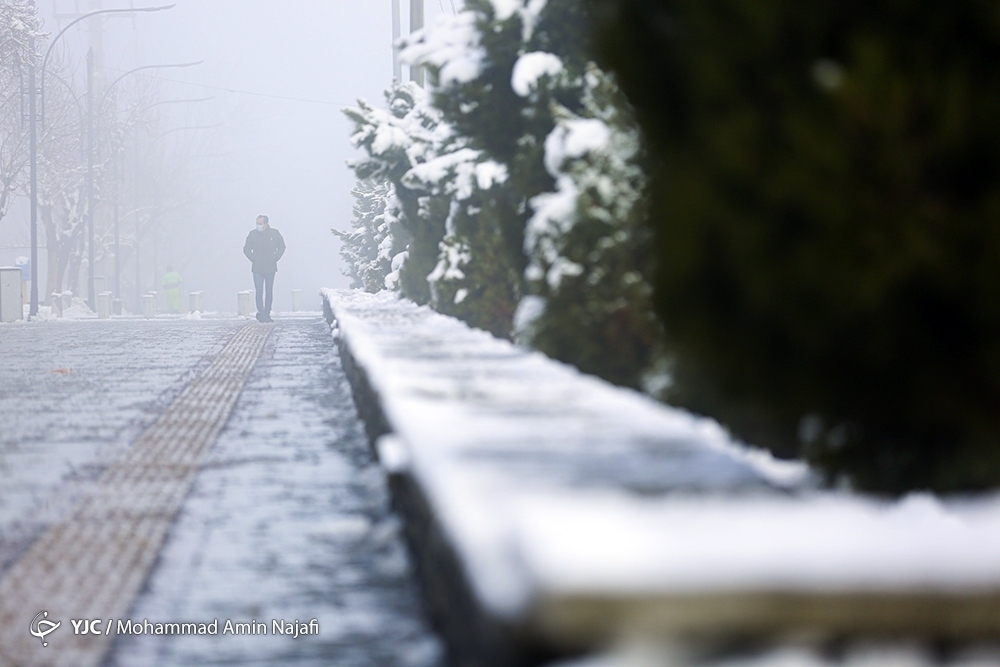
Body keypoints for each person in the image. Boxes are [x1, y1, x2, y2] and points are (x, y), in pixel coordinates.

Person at [243, 214, 285, 322]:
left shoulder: (274, 233)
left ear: (266, 224)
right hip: (257, 268)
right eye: (257, 223)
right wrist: (254, 258)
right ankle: (261, 312)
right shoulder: (252, 234)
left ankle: (267, 312)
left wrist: (275, 257)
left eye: (260, 223)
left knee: (269, 291)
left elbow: (282, 246)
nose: (258, 225)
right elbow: (246, 249)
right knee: (259, 290)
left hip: (270, 267)